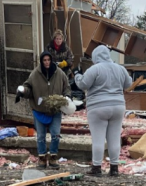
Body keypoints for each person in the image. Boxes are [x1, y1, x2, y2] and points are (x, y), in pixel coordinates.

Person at [74, 45, 132, 176]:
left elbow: (83, 84)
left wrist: (77, 75)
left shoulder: (95, 69)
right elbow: (128, 84)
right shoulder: (120, 68)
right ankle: (114, 168)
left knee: (98, 139)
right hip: (118, 106)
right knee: (114, 138)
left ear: (95, 57)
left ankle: (96, 168)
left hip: (98, 107)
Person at [16, 51, 71, 169]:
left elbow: (66, 87)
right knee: (40, 136)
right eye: (44, 60)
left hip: (55, 110)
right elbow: (28, 88)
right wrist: (23, 91)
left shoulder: (59, 73)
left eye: (48, 60)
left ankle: (53, 157)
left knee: (55, 134)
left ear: (51, 60)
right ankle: (41, 158)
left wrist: (67, 97)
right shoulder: (35, 74)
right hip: (39, 110)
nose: (47, 62)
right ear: (41, 61)